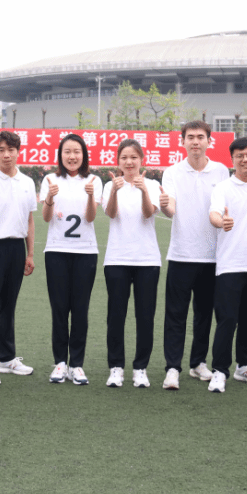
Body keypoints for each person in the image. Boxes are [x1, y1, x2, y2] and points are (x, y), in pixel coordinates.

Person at [159, 120, 228, 390]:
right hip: (181, 255)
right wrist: (165, 206)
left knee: (204, 315)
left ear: (209, 140)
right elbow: (171, 208)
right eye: (190, 137)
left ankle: (198, 362)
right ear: (183, 141)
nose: (195, 141)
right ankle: (172, 368)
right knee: (175, 315)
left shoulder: (221, 171)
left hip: (212, 257)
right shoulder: (172, 172)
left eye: (200, 137)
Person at [206, 136, 247, 393]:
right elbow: (214, 213)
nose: (245, 159)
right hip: (230, 265)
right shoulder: (223, 187)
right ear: (232, 159)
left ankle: (244, 365)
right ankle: (219, 370)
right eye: (240, 156)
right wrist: (221, 222)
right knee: (227, 319)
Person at [0, 130, 38, 385]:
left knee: (8, 306)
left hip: (16, 249)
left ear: (18, 152)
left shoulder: (27, 182)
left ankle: (7, 358)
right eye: (1, 150)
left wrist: (30, 253)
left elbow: (30, 220)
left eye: (11, 150)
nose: (6, 155)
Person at [40, 134, 102, 385]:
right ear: (60, 154)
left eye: (77, 151)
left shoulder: (93, 180)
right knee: (59, 308)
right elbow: (46, 217)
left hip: (85, 252)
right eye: (67, 151)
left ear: (83, 155)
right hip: (56, 251)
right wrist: (49, 198)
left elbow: (90, 217)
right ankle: (60, 363)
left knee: (80, 310)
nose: (72, 156)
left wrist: (90, 196)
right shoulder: (50, 179)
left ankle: (76, 364)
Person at [102, 140, 161, 388]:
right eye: (124, 157)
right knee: (116, 315)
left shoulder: (152, 185)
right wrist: (115, 191)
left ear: (141, 160)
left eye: (134, 157)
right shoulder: (110, 185)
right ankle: (116, 367)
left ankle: (140, 368)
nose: (129, 162)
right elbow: (110, 213)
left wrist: (144, 191)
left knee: (145, 316)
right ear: (118, 161)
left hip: (147, 259)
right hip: (117, 259)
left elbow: (148, 213)